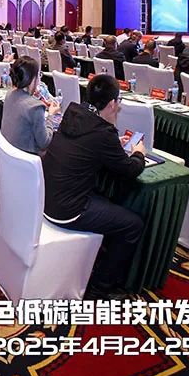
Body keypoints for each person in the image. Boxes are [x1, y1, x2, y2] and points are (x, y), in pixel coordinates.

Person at [41, 74, 146, 299]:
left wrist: (112, 143)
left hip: (46, 198)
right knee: (133, 225)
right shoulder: (102, 132)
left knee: (107, 202)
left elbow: (91, 147)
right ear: (112, 104)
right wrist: (139, 154)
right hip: (68, 210)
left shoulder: (72, 113)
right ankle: (100, 287)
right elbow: (130, 170)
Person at [1, 56, 56, 154]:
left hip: (7, 153)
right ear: (32, 79)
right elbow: (45, 143)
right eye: (38, 75)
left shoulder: (10, 93)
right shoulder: (35, 107)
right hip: (26, 158)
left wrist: (32, 97)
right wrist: (51, 115)